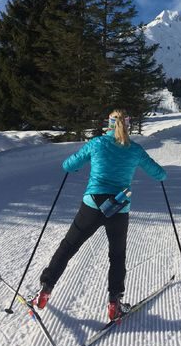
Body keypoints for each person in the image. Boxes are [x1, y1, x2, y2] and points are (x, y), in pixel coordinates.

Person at [32, 109, 167, 320]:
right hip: (119, 208)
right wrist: (158, 175)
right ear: (127, 126)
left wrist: (76, 169)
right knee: (117, 256)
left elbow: (68, 165)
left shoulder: (97, 144)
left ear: (109, 124)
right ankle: (114, 303)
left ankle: (45, 289)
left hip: (91, 206)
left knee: (68, 247)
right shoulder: (134, 149)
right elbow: (160, 174)